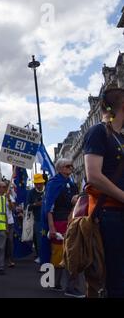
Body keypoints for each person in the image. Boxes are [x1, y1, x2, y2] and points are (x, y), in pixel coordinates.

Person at [83, 87, 124, 298]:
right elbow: (93, 175)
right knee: (117, 281)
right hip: (110, 215)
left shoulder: (120, 137)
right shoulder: (98, 131)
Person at [41, 158, 83, 298]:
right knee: (59, 255)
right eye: (68, 166)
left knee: (72, 254)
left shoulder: (71, 184)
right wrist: (52, 228)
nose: (71, 168)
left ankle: (67, 286)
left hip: (71, 221)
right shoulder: (53, 184)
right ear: (59, 168)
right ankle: (57, 283)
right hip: (59, 222)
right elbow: (49, 208)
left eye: (71, 166)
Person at [26, 173, 45, 264]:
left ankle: (49, 255)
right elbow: (27, 206)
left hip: (49, 219)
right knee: (39, 239)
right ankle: (40, 256)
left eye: (40, 183)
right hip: (37, 219)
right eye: (36, 183)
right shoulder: (31, 193)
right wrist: (35, 204)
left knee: (49, 238)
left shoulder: (48, 190)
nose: (38, 185)